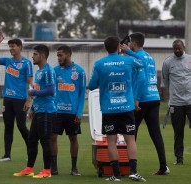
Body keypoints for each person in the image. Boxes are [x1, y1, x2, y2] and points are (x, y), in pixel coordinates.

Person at [88, 36, 146, 182]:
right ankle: (133, 172)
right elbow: (143, 63)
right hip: (126, 107)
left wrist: (104, 80)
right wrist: (129, 52)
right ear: (119, 47)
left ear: (105, 48)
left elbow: (92, 85)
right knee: (130, 140)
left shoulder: (99, 64)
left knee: (111, 141)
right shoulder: (128, 60)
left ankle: (116, 175)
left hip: (109, 109)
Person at [120, 32, 170, 175]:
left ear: (134, 43)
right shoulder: (149, 57)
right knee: (156, 134)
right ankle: (163, 166)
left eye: (130, 43)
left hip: (141, 99)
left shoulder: (137, 56)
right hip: (154, 97)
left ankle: (129, 168)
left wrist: (135, 97)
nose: (128, 45)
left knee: (130, 133)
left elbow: (141, 79)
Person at [0, 32, 33, 162]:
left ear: (19, 47)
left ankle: (31, 151)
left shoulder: (26, 63)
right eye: (9, 46)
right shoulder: (7, 61)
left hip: (20, 100)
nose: (11, 48)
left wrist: (28, 100)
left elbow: (30, 83)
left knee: (22, 126)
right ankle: (7, 155)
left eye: (13, 46)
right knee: (8, 127)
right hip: (7, 99)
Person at [13, 44, 56, 178]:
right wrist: (32, 108)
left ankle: (47, 171)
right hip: (39, 110)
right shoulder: (38, 71)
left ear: (42, 55)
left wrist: (33, 92)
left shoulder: (48, 71)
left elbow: (51, 90)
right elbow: (38, 92)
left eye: (35, 54)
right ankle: (29, 168)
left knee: (45, 140)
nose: (32, 56)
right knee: (32, 139)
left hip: (47, 111)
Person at [50, 45, 86, 176]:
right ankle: (53, 167)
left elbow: (82, 93)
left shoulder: (80, 71)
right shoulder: (54, 71)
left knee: (73, 138)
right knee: (52, 137)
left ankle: (74, 168)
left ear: (68, 55)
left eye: (61, 55)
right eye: (57, 55)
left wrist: (79, 112)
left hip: (72, 113)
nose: (58, 58)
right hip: (57, 112)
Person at [162, 39, 191, 165]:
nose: (177, 50)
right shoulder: (168, 62)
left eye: (179, 48)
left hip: (190, 101)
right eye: (175, 49)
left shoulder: (190, 59)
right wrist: (172, 94)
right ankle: (179, 159)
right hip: (176, 103)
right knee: (178, 132)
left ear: (184, 47)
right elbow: (165, 80)